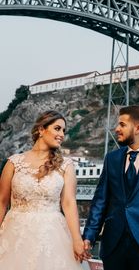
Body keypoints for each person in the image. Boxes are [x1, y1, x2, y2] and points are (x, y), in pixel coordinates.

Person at [83, 105, 139, 269]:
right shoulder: (112, 158)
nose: (117, 129)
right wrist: (89, 236)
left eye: (122, 125)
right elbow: (100, 200)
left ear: (138, 128)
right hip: (113, 244)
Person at [0, 110, 85, 269]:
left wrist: (76, 239)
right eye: (57, 128)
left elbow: (68, 203)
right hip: (14, 235)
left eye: (64, 131)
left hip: (51, 236)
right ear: (41, 130)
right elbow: (1, 202)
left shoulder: (66, 165)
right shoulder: (13, 162)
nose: (61, 134)